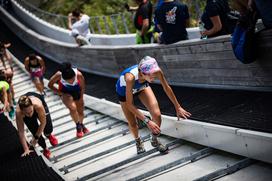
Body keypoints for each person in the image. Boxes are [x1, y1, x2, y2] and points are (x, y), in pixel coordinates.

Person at [116, 56, 191, 154]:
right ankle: (138, 141)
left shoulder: (156, 71)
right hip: (124, 92)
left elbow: (166, 88)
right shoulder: (130, 78)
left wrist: (178, 107)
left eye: (154, 74)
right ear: (141, 73)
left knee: (157, 114)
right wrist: (147, 121)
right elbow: (130, 105)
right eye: (151, 75)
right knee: (133, 123)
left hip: (142, 87)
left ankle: (154, 139)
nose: (154, 77)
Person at [48, 62, 89, 138]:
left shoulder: (79, 75)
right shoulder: (58, 75)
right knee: (73, 108)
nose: (71, 82)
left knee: (80, 111)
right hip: (65, 92)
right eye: (68, 81)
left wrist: (81, 97)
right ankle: (78, 127)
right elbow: (50, 85)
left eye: (72, 79)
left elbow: (83, 87)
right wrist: (60, 93)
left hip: (77, 91)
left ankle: (81, 124)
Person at [16, 92, 58, 159]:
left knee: (48, 128)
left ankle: (48, 135)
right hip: (28, 110)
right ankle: (45, 148)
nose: (30, 115)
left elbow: (43, 123)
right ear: (22, 111)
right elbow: (21, 132)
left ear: (32, 106)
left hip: (39, 105)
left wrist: (35, 138)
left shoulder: (38, 105)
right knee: (34, 131)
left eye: (31, 112)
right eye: (27, 113)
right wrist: (26, 149)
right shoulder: (19, 113)